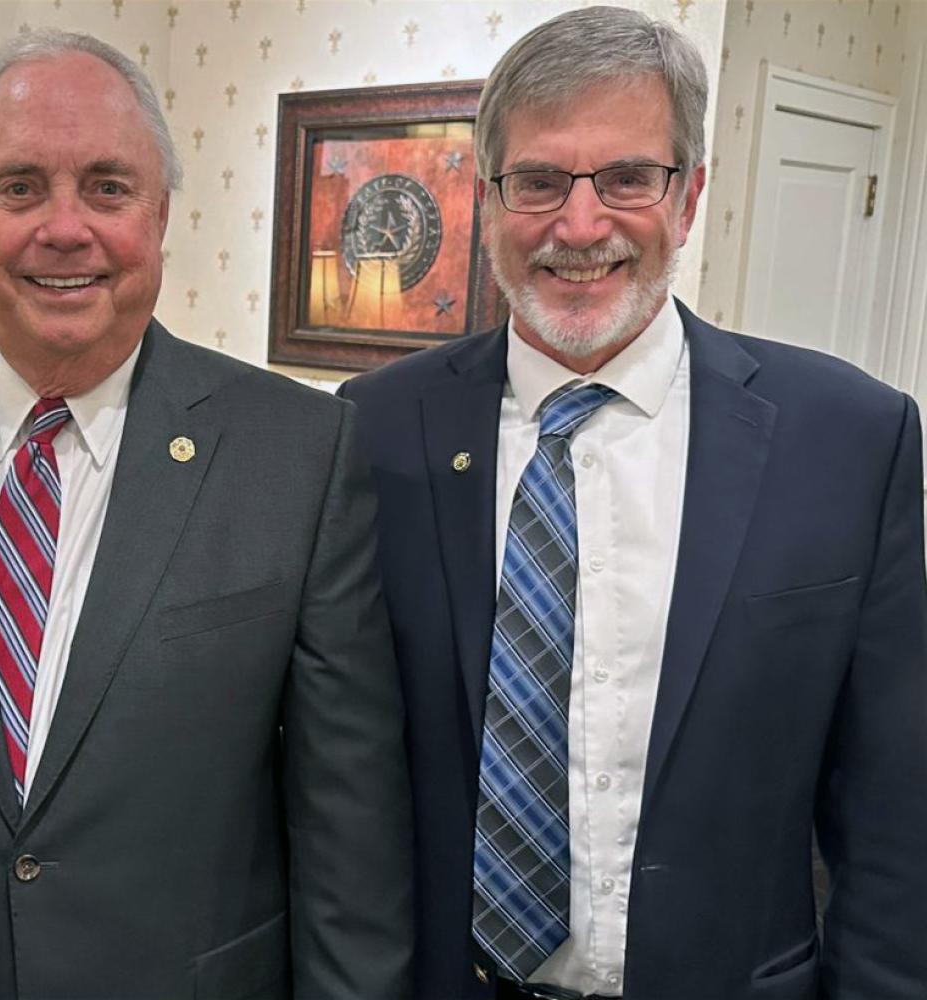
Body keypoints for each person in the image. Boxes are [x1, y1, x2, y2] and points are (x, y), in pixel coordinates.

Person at [341, 7, 927, 1000]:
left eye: (626, 178)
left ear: (688, 195)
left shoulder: (850, 440)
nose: (579, 226)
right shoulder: (372, 429)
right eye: (536, 182)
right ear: (488, 201)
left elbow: (895, 808)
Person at [0, 29, 414, 1000]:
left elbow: (348, 826)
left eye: (107, 187)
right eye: (19, 187)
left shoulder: (300, 453)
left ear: (160, 215)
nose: (65, 228)